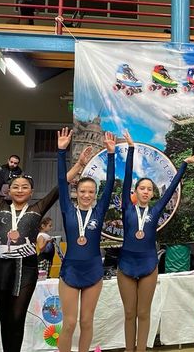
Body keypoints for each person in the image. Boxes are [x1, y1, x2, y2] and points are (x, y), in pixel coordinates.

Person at [0, 142, 90, 352]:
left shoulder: (37, 209)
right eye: (15, 187)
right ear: (8, 191)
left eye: (24, 187)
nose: (20, 190)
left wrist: (79, 165)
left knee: (17, 318)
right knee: (5, 320)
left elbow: (60, 187)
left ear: (31, 192)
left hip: (27, 269)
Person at [117, 131, 188, 352]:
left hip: (148, 264)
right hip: (126, 264)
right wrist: (130, 149)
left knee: (143, 313)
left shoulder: (156, 210)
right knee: (129, 313)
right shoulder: (127, 207)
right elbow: (127, 177)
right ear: (135, 192)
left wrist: (184, 165)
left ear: (152, 193)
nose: (146, 191)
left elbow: (174, 185)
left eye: (149, 189)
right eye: (142, 188)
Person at [56, 127, 116, 352]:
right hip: (70, 270)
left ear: (94, 194)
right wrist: (62, 152)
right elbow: (62, 182)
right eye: (83, 191)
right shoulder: (67, 210)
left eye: (91, 192)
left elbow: (109, 184)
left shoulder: (99, 211)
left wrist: (110, 154)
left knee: (87, 321)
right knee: (70, 322)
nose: (87, 195)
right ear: (77, 192)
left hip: (93, 271)